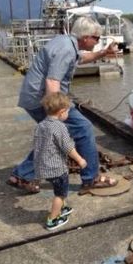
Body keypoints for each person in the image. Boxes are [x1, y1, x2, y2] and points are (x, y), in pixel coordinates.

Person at [7, 16, 119, 194]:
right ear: (85, 37)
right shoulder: (67, 49)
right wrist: (56, 116)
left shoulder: (68, 43)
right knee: (83, 128)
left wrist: (102, 53)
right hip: (42, 99)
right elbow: (52, 82)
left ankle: (21, 175)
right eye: (96, 38)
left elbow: (80, 59)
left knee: (51, 139)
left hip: (34, 97)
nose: (98, 41)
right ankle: (91, 178)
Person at [34, 92, 87, 230]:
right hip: (56, 168)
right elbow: (68, 147)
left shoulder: (41, 125)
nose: (68, 114)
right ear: (62, 112)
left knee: (57, 187)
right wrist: (80, 160)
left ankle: (62, 208)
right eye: (68, 111)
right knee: (60, 194)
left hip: (43, 166)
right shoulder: (59, 127)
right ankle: (52, 220)